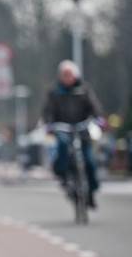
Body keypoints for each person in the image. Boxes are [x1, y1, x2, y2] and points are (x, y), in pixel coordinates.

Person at [42, 60, 104, 208]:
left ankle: (91, 191)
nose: (67, 78)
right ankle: (63, 174)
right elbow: (48, 111)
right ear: (60, 76)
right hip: (62, 128)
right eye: (64, 75)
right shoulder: (54, 92)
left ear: (75, 75)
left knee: (89, 160)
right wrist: (49, 124)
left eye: (70, 75)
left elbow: (94, 106)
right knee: (62, 145)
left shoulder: (84, 89)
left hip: (82, 128)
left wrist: (98, 118)